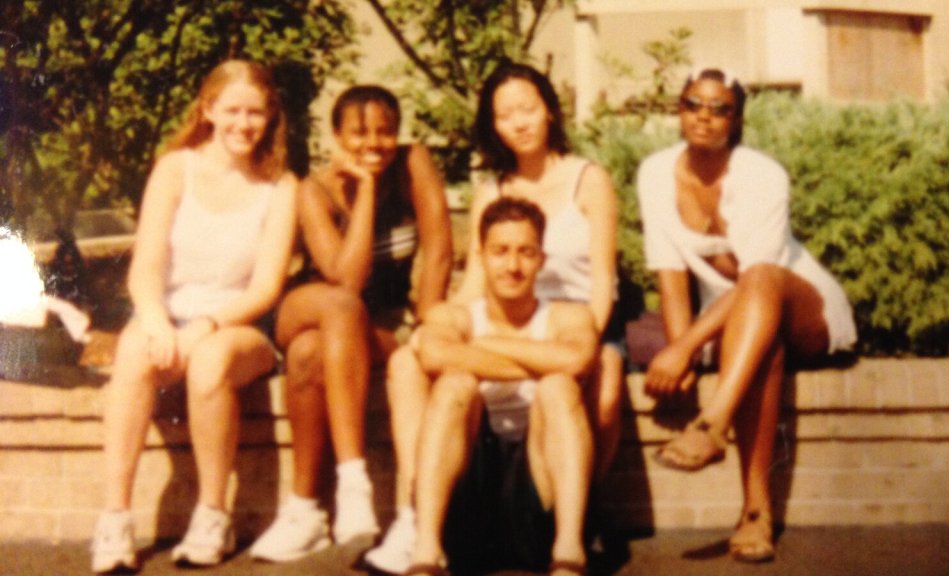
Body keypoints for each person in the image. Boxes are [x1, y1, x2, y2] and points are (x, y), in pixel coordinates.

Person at [367, 62, 621, 575]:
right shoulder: (493, 190)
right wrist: (448, 328)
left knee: (603, 370)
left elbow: (601, 285)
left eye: (527, 108)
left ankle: (582, 513)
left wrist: (572, 345)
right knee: (407, 364)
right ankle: (415, 518)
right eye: (505, 115)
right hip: (510, 320)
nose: (519, 122)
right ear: (493, 124)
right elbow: (474, 286)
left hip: (577, 318)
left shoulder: (588, 179)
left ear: (549, 109)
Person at [637, 67, 857, 562]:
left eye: (720, 109)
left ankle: (713, 424)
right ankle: (756, 513)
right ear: (678, 109)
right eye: (693, 104)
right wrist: (680, 358)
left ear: (736, 121)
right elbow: (670, 273)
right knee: (763, 345)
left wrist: (686, 346)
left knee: (759, 279)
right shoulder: (655, 173)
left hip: (804, 305)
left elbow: (756, 277)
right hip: (739, 324)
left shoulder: (761, 174)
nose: (704, 116)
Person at [90, 60, 298, 573]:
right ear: (208, 110)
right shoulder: (174, 169)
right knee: (133, 350)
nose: (243, 124)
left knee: (208, 362)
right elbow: (145, 268)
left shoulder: (280, 184)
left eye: (255, 113)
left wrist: (207, 325)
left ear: (271, 115)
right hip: (171, 313)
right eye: (232, 111)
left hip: (239, 326)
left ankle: (212, 515)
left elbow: (266, 288)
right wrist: (156, 320)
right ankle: (115, 519)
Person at [249, 85, 453, 562]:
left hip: (370, 325)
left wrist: (427, 321)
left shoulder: (412, 164)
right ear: (337, 136)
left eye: (385, 131)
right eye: (359, 133)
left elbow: (440, 251)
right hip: (309, 305)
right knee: (340, 306)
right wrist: (364, 192)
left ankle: (305, 511)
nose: (374, 144)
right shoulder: (313, 190)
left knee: (308, 354)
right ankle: (353, 482)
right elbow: (346, 278)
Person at [405, 196, 596, 576]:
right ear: (480, 257)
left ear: (541, 259)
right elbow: (434, 355)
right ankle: (426, 554)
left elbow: (576, 361)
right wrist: (538, 361)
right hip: (468, 491)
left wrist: (483, 346)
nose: (512, 266)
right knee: (454, 385)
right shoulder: (453, 316)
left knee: (558, 387)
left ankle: (569, 553)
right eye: (500, 252)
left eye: (526, 252)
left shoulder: (568, 316)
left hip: (538, 489)